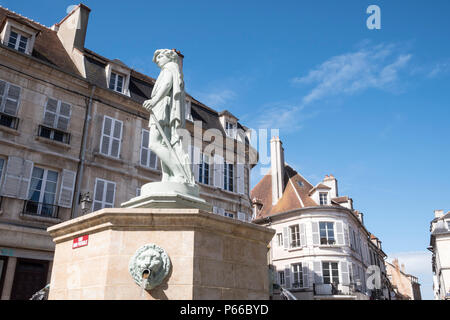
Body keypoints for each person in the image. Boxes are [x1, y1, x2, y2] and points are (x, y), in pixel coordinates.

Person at [143, 49, 193, 184]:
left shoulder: (169, 68)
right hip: (162, 107)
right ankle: (168, 176)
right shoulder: (170, 69)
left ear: (169, 57)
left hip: (161, 107)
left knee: (155, 143)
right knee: (164, 143)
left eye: (160, 56)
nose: (157, 59)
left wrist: (154, 101)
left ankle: (178, 173)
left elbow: (166, 85)